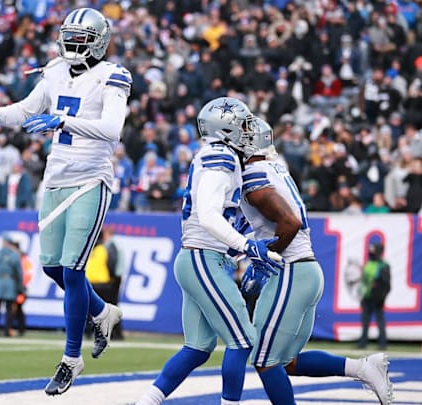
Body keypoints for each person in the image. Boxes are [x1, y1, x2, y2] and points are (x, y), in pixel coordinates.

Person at [0, 8, 126, 395]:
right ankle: (101, 311)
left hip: (90, 179)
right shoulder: (55, 70)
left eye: (80, 38)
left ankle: (70, 359)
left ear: (97, 41)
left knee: (74, 270)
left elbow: (113, 129)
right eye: (69, 36)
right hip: (55, 178)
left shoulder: (113, 75)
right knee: (51, 268)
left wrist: (62, 122)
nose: (71, 44)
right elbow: (26, 111)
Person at [136, 97, 284, 405]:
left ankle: (145, 402)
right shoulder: (222, 157)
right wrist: (246, 246)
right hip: (203, 256)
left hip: (201, 257)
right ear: (226, 129)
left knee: (198, 347)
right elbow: (209, 214)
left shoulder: (222, 156)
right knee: (243, 340)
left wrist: (246, 249)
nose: (247, 131)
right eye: (243, 125)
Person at [236, 118, 393, 405]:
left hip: (291, 271)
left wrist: (263, 259)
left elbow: (290, 222)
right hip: (306, 270)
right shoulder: (273, 167)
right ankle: (362, 368)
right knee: (287, 363)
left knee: (264, 359)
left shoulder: (253, 174)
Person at [0, 234, 24, 337]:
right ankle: (7, 330)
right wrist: (20, 287)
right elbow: (19, 273)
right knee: (9, 309)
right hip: (9, 283)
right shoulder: (14, 255)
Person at [359, 241, 391, 350]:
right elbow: (364, 281)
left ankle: (382, 343)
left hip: (377, 299)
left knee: (380, 321)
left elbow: (386, 285)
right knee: (365, 321)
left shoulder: (383, 265)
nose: (370, 252)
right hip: (367, 297)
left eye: (373, 250)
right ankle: (362, 343)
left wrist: (381, 297)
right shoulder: (369, 263)